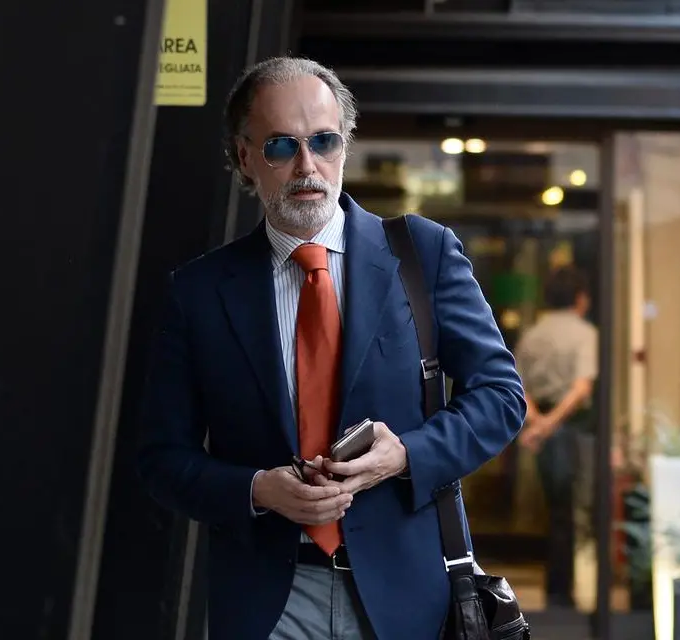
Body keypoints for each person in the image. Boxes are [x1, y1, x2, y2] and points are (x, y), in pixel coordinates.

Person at [137, 56, 526, 640]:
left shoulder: (422, 255)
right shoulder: (199, 292)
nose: (307, 166)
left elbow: (500, 396)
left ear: (344, 145)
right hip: (268, 599)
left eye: (324, 141)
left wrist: (406, 454)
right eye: (281, 146)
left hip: (407, 597)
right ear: (245, 157)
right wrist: (257, 490)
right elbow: (163, 458)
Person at [515, 265, 598, 608]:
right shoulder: (585, 333)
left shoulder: (533, 334)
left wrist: (538, 423)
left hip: (542, 428)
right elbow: (581, 389)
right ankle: (565, 593)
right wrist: (551, 424)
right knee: (574, 510)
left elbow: (517, 386)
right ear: (580, 299)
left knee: (554, 510)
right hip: (574, 427)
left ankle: (556, 588)